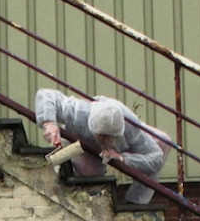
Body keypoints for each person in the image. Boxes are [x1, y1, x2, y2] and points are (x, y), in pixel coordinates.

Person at [34, 88, 170, 205]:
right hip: (82, 144)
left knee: (163, 141)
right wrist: (49, 123)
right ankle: (87, 200)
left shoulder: (132, 128)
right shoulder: (79, 112)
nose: (104, 141)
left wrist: (124, 159)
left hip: (122, 146)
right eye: (101, 137)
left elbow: (156, 158)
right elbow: (46, 94)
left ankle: (136, 202)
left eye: (108, 138)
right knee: (87, 172)